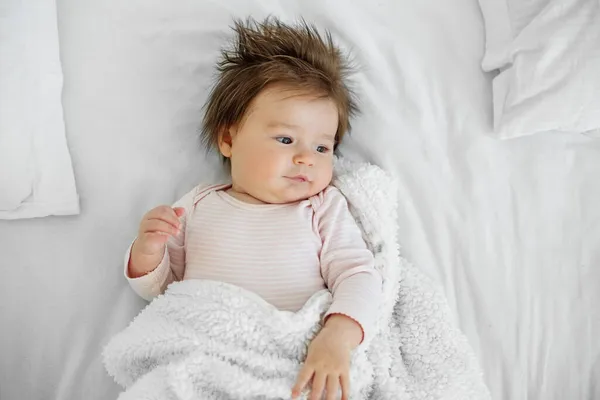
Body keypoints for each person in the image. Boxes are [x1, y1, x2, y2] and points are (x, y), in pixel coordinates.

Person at [124, 17, 383, 400]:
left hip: (295, 365)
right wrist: (149, 251)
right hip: (209, 358)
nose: (306, 158)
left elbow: (358, 275)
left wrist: (337, 336)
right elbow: (163, 290)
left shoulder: (322, 207)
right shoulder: (199, 204)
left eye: (322, 147)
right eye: (285, 138)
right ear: (229, 139)